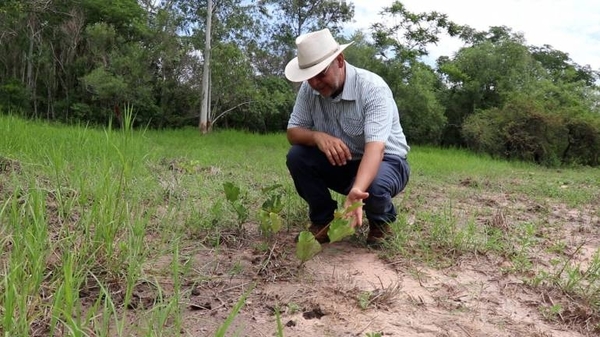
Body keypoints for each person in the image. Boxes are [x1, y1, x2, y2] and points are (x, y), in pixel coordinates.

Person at [284, 28, 410, 247]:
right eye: (309, 77)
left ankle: (381, 223)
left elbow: (376, 149)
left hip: (387, 162)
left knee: (375, 185)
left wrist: (356, 191)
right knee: (297, 156)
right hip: (344, 163)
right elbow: (293, 132)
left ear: (339, 61)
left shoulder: (372, 88)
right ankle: (322, 220)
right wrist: (317, 137)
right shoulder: (308, 90)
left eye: (321, 73)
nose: (315, 83)